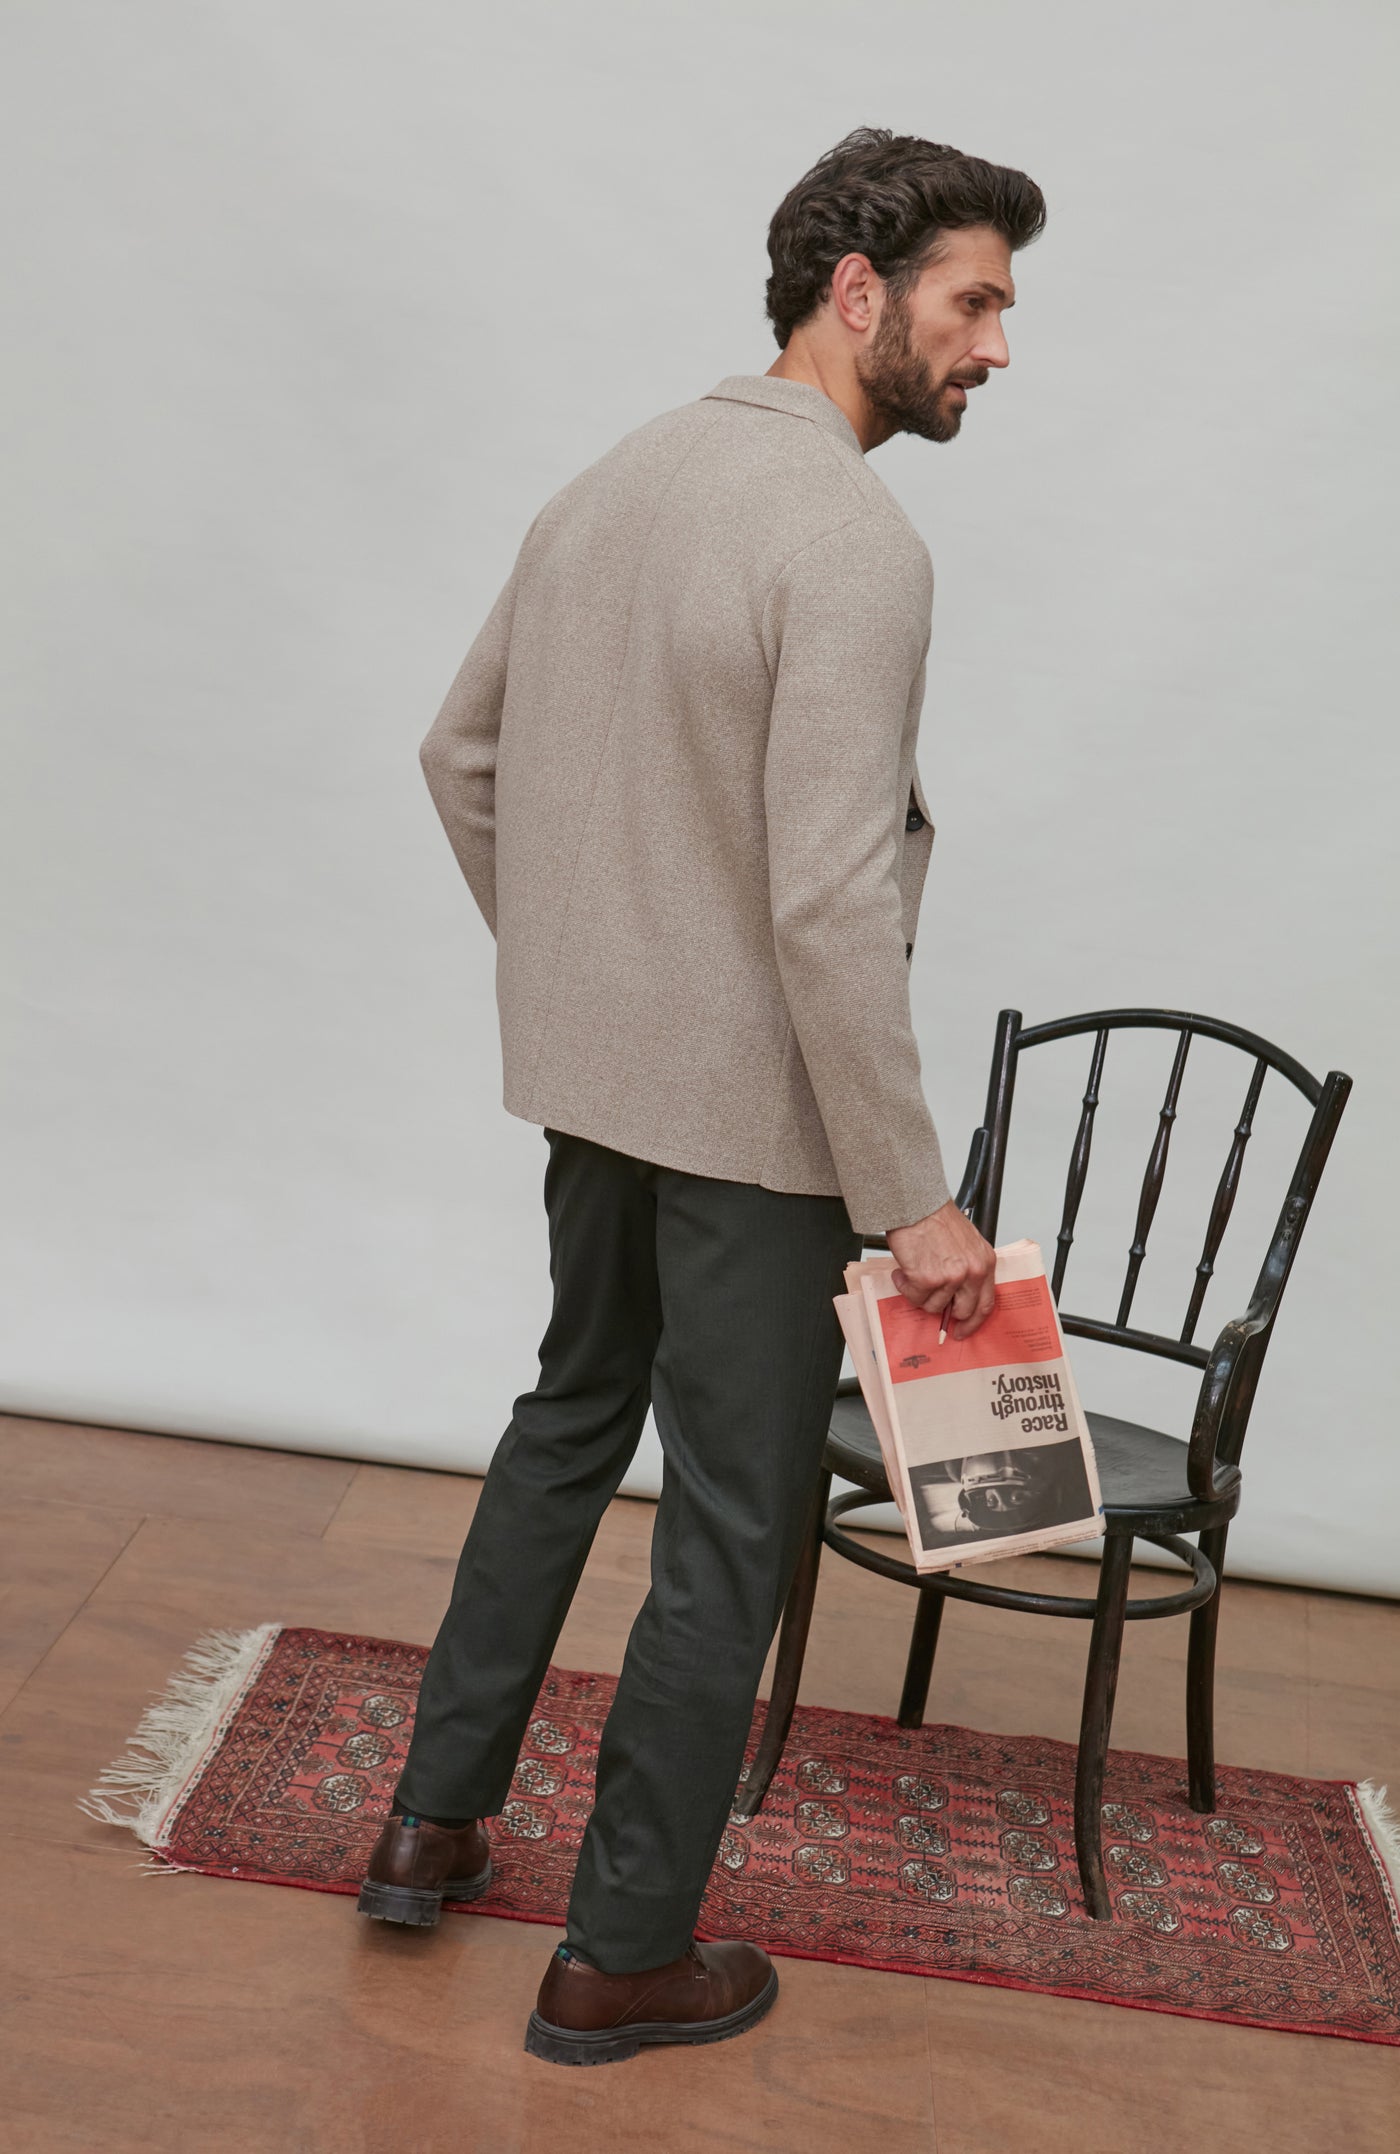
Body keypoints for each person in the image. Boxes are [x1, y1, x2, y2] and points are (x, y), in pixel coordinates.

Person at [357, 126, 1045, 2066]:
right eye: (973, 301)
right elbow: (828, 900)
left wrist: (589, 979)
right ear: (857, 291)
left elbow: (455, 751)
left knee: (568, 1417)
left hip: (597, 1091)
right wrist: (911, 1196)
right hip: (750, 1131)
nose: (997, 346)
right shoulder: (849, 538)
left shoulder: (612, 480)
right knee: (733, 1519)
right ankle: (621, 1949)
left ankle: (426, 1823)